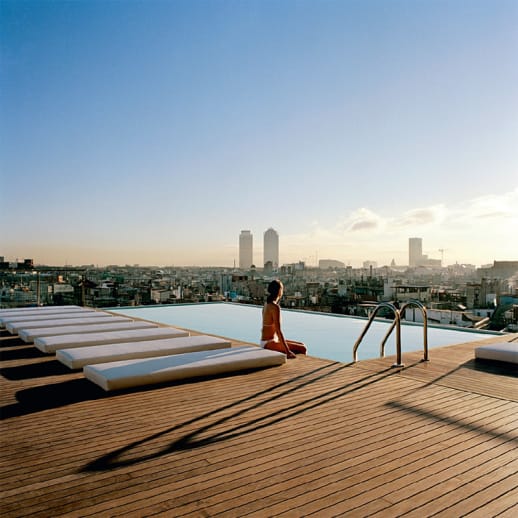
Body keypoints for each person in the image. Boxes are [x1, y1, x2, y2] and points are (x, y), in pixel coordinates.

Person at [260, 279, 307, 358]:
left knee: (302, 345)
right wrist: (287, 351)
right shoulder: (274, 307)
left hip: (270, 340)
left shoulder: (267, 304)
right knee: (303, 349)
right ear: (279, 291)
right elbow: (278, 331)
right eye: (282, 288)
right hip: (268, 343)